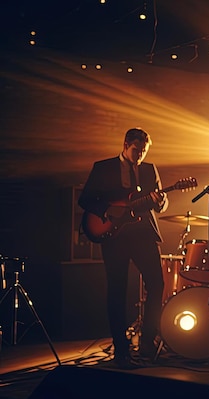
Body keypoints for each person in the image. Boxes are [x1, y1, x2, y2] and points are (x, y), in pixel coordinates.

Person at [79, 128, 167, 369]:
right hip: (114, 236)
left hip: (143, 234)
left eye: (143, 152)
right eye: (136, 150)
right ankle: (121, 348)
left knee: (157, 283)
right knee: (117, 289)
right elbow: (84, 200)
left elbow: (159, 204)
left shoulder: (150, 169)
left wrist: (161, 201)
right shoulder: (103, 167)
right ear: (126, 144)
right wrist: (107, 211)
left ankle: (148, 341)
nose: (139, 156)